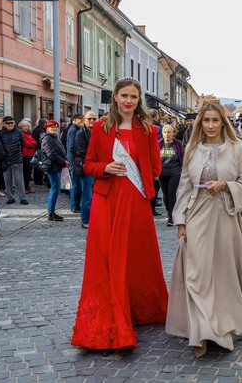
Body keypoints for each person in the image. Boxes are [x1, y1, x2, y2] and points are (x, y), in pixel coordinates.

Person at [166, 101, 242, 358]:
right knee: (196, 274)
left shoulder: (237, 148)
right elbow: (184, 187)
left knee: (222, 273)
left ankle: (218, 326)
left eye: (214, 120)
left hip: (225, 215)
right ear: (200, 123)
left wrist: (227, 185)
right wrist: (180, 220)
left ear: (222, 122)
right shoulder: (192, 150)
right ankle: (201, 332)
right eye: (205, 120)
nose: (209, 125)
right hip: (196, 214)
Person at [71, 78, 168, 353]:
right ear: (114, 97)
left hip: (135, 202)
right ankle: (113, 314)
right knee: (106, 258)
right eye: (124, 95)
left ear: (139, 101)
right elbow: (87, 164)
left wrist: (143, 180)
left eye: (134, 97)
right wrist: (106, 168)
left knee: (135, 256)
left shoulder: (148, 129)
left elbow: (155, 167)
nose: (128, 101)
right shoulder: (101, 128)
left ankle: (137, 309)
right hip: (107, 201)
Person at [41, 120, 68, 221]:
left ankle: (51, 212)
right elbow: (51, 154)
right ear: (47, 128)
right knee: (54, 189)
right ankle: (51, 213)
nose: (54, 129)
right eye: (52, 127)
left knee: (55, 189)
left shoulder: (54, 137)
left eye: (56, 127)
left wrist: (64, 160)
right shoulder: (47, 138)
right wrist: (63, 162)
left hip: (57, 167)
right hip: (52, 168)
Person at [73, 110, 97, 229]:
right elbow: (81, 151)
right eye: (89, 119)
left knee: (96, 195)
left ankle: (94, 218)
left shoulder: (97, 132)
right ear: (84, 120)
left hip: (98, 166)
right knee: (87, 195)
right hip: (87, 167)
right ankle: (85, 220)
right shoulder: (80, 133)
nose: (92, 121)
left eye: (94, 119)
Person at [0, 116, 28, 205]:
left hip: (17, 159)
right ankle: (10, 197)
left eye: (12, 123)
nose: (10, 124)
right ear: (4, 124)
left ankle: (22, 198)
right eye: (8, 123)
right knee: (7, 180)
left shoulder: (18, 132)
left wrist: (18, 153)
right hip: (5, 160)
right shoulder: (0, 133)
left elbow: (22, 144)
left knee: (19, 179)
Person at [158, 125, 184, 226]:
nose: (167, 134)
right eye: (165, 132)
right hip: (162, 173)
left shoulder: (177, 144)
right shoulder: (158, 144)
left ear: (173, 133)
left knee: (171, 194)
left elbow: (182, 156)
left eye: (169, 132)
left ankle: (171, 217)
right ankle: (170, 212)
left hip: (175, 172)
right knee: (165, 195)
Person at [66, 114, 84, 213]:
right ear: (75, 120)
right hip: (74, 161)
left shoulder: (75, 128)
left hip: (75, 160)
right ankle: (75, 206)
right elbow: (72, 146)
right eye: (81, 119)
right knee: (75, 184)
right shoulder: (73, 129)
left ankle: (76, 205)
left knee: (77, 184)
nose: (82, 120)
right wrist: (80, 154)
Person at [19, 119, 37, 194]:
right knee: (26, 172)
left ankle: (27, 187)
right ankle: (25, 187)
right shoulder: (21, 134)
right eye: (24, 126)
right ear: (21, 127)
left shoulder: (28, 134)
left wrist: (32, 143)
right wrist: (32, 143)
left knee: (29, 172)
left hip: (30, 155)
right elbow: (28, 144)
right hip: (25, 155)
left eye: (27, 126)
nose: (26, 128)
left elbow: (35, 142)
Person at [32, 118, 48, 186]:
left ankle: (37, 179)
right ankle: (38, 180)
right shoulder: (41, 131)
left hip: (36, 149)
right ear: (44, 124)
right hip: (40, 150)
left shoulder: (36, 129)